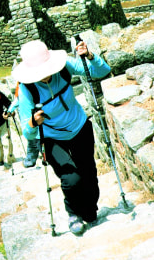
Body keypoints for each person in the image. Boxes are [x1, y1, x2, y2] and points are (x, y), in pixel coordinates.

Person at [12, 39, 111, 235]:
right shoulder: (26, 89)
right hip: (51, 137)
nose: (46, 75)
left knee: (89, 173)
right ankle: (73, 212)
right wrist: (33, 123)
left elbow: (101, 72)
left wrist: (89, 56)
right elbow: (27, 131)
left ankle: (90, 210)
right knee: (71, 178)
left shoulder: (64, 67)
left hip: (79, 126)